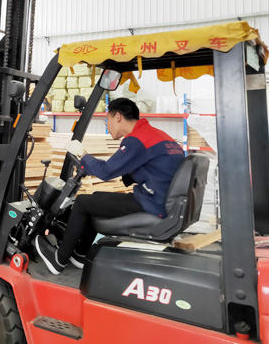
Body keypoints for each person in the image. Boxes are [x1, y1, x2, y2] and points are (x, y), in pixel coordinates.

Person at [35, 97, 185, 275]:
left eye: (107, 120)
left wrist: (83, 156)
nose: (107, 125)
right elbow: (144, 167)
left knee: (83, 202)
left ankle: (59, 260)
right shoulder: (157, 136)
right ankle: (81, 254)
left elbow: (106, 172)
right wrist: (92, 165)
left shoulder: (136, 140)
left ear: (118, 117)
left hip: (152, 204)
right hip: (161, 199)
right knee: (97, 197)